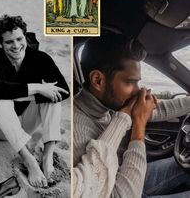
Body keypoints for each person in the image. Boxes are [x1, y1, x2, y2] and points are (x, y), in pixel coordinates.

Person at [73, 33, 190, 198]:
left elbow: (159, 109)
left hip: (127, 174)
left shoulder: (110, 102)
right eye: (129, 82)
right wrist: (139, 126)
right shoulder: (75, 131)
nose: (138, 90)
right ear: (98, 80)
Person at [0, 14, 70, 188]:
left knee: (53, 95)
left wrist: (37, 91)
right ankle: (29, 161)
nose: (16, 46)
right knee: (1, 100)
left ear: (25, 37)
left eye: (19, 39)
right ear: (0, 43)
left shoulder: (40, 58)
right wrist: (37, 88)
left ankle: (47, 156)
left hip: (25, 125)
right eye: (9, 42)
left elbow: (64, 91)